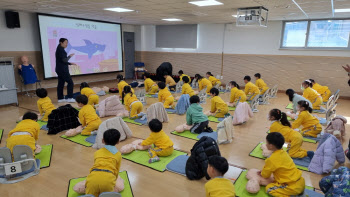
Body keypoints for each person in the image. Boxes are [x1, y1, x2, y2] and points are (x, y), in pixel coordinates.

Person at [85, 129, 122, 197]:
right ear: (118, 141)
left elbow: (95, 165)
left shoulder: (97, 152)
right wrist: (114, 182)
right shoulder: (118, 155)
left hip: (92, 179)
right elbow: (116, 171)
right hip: (108, 180)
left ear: (103, 140)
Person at [55, 38, 77, 103]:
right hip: (62, 70)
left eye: (67, 43)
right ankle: (70, 97)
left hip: (59, 69)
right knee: (70, 82)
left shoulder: (59, 48)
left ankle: (60, 98)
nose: (66, 44)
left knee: (61, 83)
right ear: (61, 43)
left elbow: (62, 60)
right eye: (65, 43)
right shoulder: (61, 50)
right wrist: (69, 58)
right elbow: (64, 60)